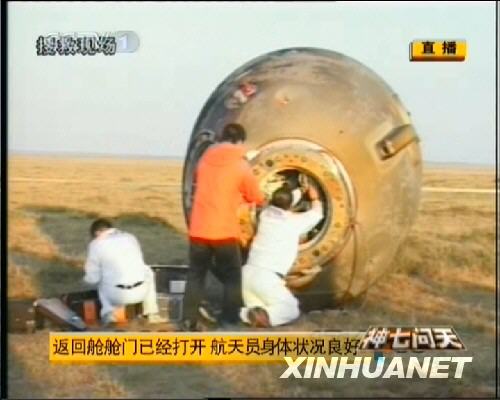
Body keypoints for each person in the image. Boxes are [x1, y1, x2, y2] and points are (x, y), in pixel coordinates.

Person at [182, 123, 266, 330]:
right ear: (239, 141)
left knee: (196, 275)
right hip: (224, 231)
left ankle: (188, 320)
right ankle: (229, 319)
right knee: (232, 277)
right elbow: (256, 197)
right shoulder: (240, 166)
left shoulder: (204, 161)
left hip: (199, 229)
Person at [240, 183, 324, 327]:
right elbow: (317, 214)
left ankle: (244, 314)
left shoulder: (265, 214)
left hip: (246, 274)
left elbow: (285, 200)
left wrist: (301, 190)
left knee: (260, 306)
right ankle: (263, 317)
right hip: (266, 278)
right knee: (291, 308)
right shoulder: (294, 222)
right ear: (290, 205)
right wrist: (315, 198)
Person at [83, 218, 166, 325]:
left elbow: (92, 279)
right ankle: (152, 313)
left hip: (115, 296)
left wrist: (83, 281)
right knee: (148, 272)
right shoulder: (131, 237)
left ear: (97, 232)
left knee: (100, 279)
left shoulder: (96, 244)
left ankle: (108, 314)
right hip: (141, 293)